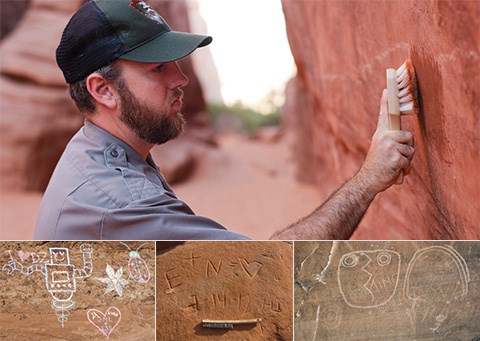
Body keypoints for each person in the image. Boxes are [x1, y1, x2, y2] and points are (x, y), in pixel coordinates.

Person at [33, 0, 414, 240]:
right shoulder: (120, 203)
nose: (180, 79)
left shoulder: (97, 153)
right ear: (102, 90)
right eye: (158, 68)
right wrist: (368, 178)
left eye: (177, 64)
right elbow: (271, 274)